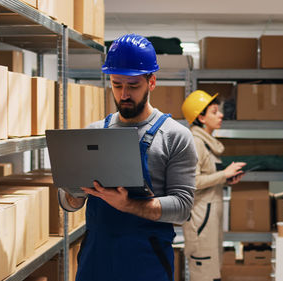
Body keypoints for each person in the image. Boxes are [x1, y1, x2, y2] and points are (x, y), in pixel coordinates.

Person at [57, 34, 198, 281]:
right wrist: (75, 191)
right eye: (116, 84)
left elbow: (183, 208)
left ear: (151, 81)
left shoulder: (176, 136)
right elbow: (68, 202)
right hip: (95, 260)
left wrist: (128, 205)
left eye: (133, 86)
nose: (124, 94)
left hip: (146, 261)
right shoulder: (93, 133)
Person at [181, 90, 246, 281]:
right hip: (200, 221)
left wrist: (226, 179)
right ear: (200, 117)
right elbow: (191, 182)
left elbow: (208, 178)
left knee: (213, 273)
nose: (221, 115)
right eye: (214, 111)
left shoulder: (207, 143)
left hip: (210, 220)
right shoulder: (195, 142)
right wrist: (223, 174)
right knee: (203, 274)